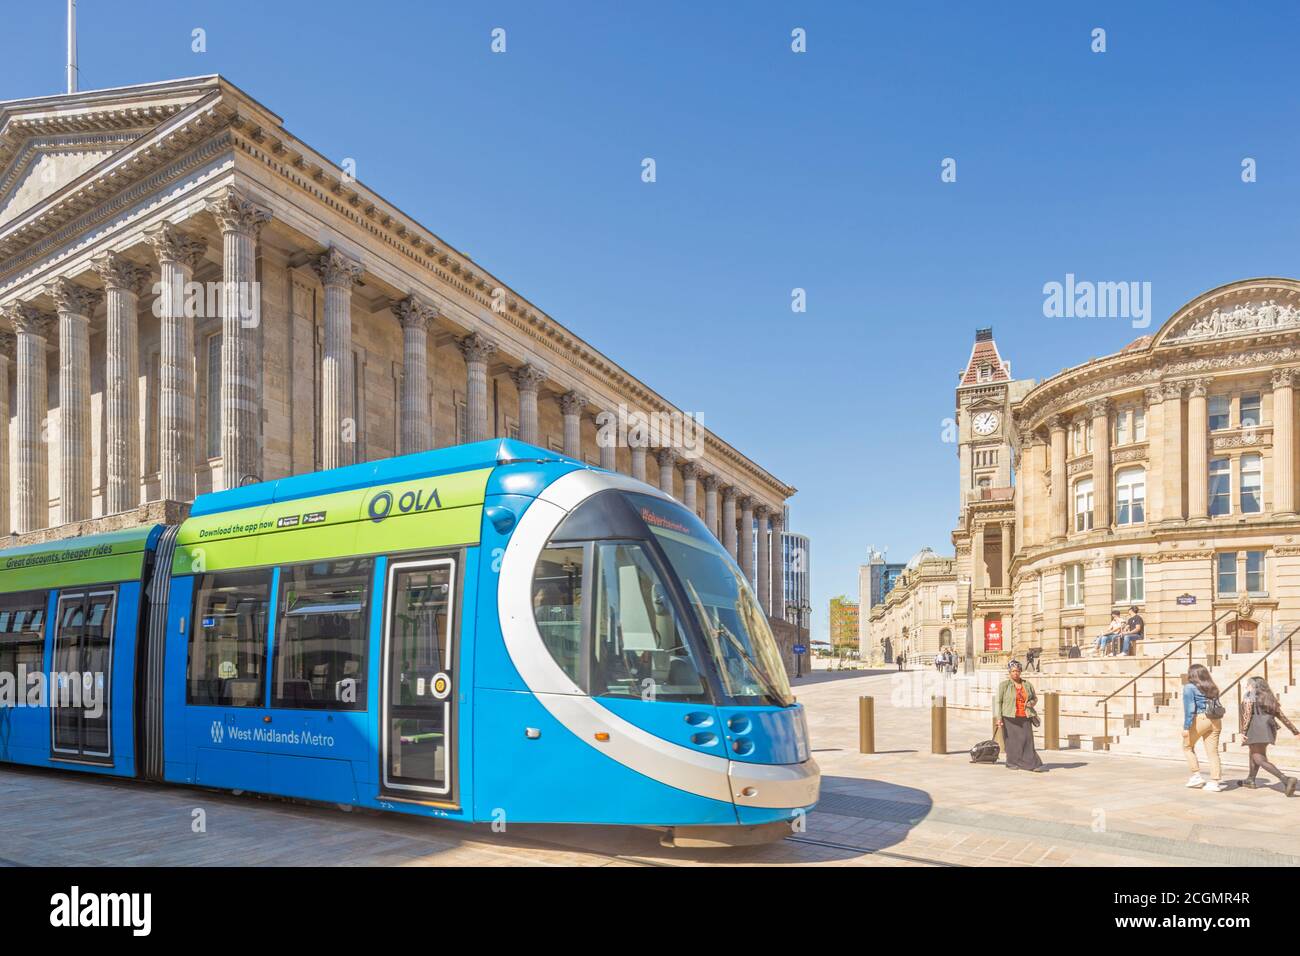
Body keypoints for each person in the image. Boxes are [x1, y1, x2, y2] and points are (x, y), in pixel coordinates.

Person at [1239, 676, 1299, 796]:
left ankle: (1286, 779)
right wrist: (1295, 731)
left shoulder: (1249, 696)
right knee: (1255, 753)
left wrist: (1243, 731)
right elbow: (1281, 716)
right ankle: (1250, 779)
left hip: (1255, 729)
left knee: (1258, 757)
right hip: (1268, 729)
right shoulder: (1269, 698)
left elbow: (1246, 715)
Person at [993, 659, 1044, 771]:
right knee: (1012, 741)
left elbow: (1034, 698)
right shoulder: (1004, 685)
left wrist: (1031, 703)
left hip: (1025, 715)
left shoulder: (1027, 684)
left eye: (1017, 671)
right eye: (1013, 671)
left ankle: (1032, 764)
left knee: (1027, 740)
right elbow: (998, 701)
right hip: (1009, 716)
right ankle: (1011, 762)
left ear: (1020, 671)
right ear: (1009, 672)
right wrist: (999, 718)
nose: (1015, 673)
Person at [1182, 663, 1225, 791]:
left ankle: (1196, 776)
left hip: (1200, 718)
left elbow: (1190, 708)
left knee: (1187, 746)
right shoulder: (1212, 687)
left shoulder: (1189, 687)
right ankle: (1215, 782)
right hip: (1215, 720)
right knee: (1213, 752)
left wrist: (1186, 726)